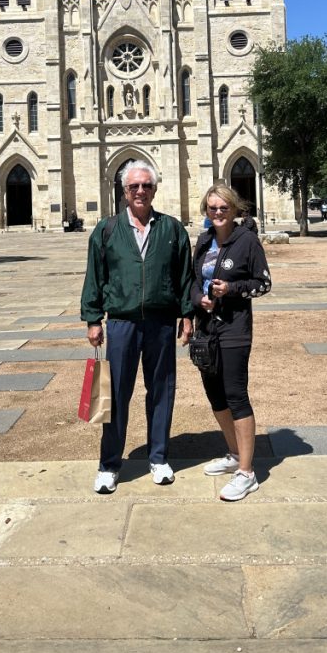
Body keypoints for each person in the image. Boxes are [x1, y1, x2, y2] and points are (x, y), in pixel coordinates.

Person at [81, 160, 194, 494]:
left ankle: (158, 458)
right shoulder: (107, 230)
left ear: (155, 188)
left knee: (161, 391)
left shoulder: (172, 230)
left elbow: (184, 276)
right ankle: (109, 465)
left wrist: (187, 315)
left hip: (160, 322)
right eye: (134, 187)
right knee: (114, 395)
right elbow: (95, 276)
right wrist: (92, 318)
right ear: (125, 191)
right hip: (121, 323)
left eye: (146, 185)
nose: (141, 191)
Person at [191, 182, 272, 501]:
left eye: (223, 207)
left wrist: (232, 290)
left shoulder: (247, 241)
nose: (218, 213)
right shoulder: (203, 240)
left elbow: (263, 284)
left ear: (234, 209)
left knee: (236, 394)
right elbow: (193, 282)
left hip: (235, 328)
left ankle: (247, 473)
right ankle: (235, 454)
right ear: (206, 212)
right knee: (215, 395)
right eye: (212, 208)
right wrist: (200, 299)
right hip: (206, 328)